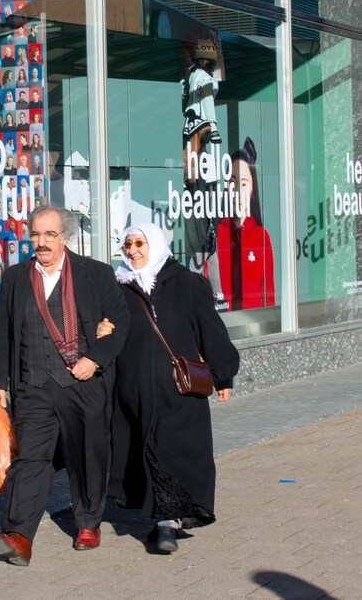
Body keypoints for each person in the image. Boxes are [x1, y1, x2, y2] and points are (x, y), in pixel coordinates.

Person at [0, 205, 130, 565]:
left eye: (49, 235)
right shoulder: (16, 277)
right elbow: (1, 332)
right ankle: (19, 535)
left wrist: (95, 359)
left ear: (65, 237)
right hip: (32, 385)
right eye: (35, 234)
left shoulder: (95, 273)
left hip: (82, 382)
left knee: (86, 456)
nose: (41, 242)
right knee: (30, 459)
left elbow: (121, 322)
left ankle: (88, 522)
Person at [99, 223, 239, 554]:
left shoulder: (188, 284)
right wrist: (101, 330)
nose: (132, 250)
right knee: (144, 451)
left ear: (156, 244)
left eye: (139, 243)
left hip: (178, 390)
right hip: (133, 390)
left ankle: (168, 523)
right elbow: (109, 333)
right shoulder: (119, 287)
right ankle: (160, 516)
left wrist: (223, 376)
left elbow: (211, 330)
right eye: (126, 244)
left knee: (172, 449)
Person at [216, 137, 275, 310]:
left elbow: (268, 293)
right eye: (232, 182)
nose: (237, 190)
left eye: (243, 183)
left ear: (252, 188)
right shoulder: (216, 234)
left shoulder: (261, 236)